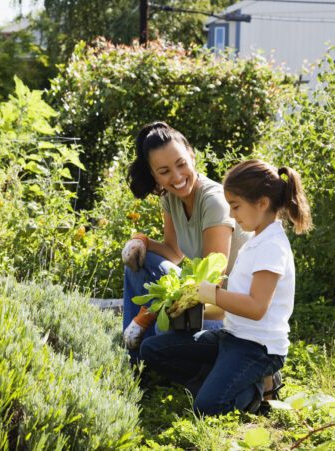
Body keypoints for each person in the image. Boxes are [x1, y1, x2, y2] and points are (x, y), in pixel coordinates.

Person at [141, 159, 312, 415]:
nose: (231, 215)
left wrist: (213, 293)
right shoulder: (255, 241)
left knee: (206, 408)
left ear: (262, 203)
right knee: (153, 349)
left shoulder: (272, 247)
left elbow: (256, 308)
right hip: (231, 337)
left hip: (258, 348)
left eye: (236, 206)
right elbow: (232, 307)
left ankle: (258, 387)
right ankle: (221, 377)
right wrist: (192, 308)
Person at [121, 121, 250, 359]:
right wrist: (142, 241)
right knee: (138, 260)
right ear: (154, 175)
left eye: (181, 164)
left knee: (163, 327)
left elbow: (212, 284)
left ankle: (153, 359)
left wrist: (151, 312)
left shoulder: (213, 202)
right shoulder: (171, 198)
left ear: (192, 155)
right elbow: (173, 252)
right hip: (199, 298)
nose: (177, 177)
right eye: (164, 171)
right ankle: (134, 361)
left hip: (227, 313)